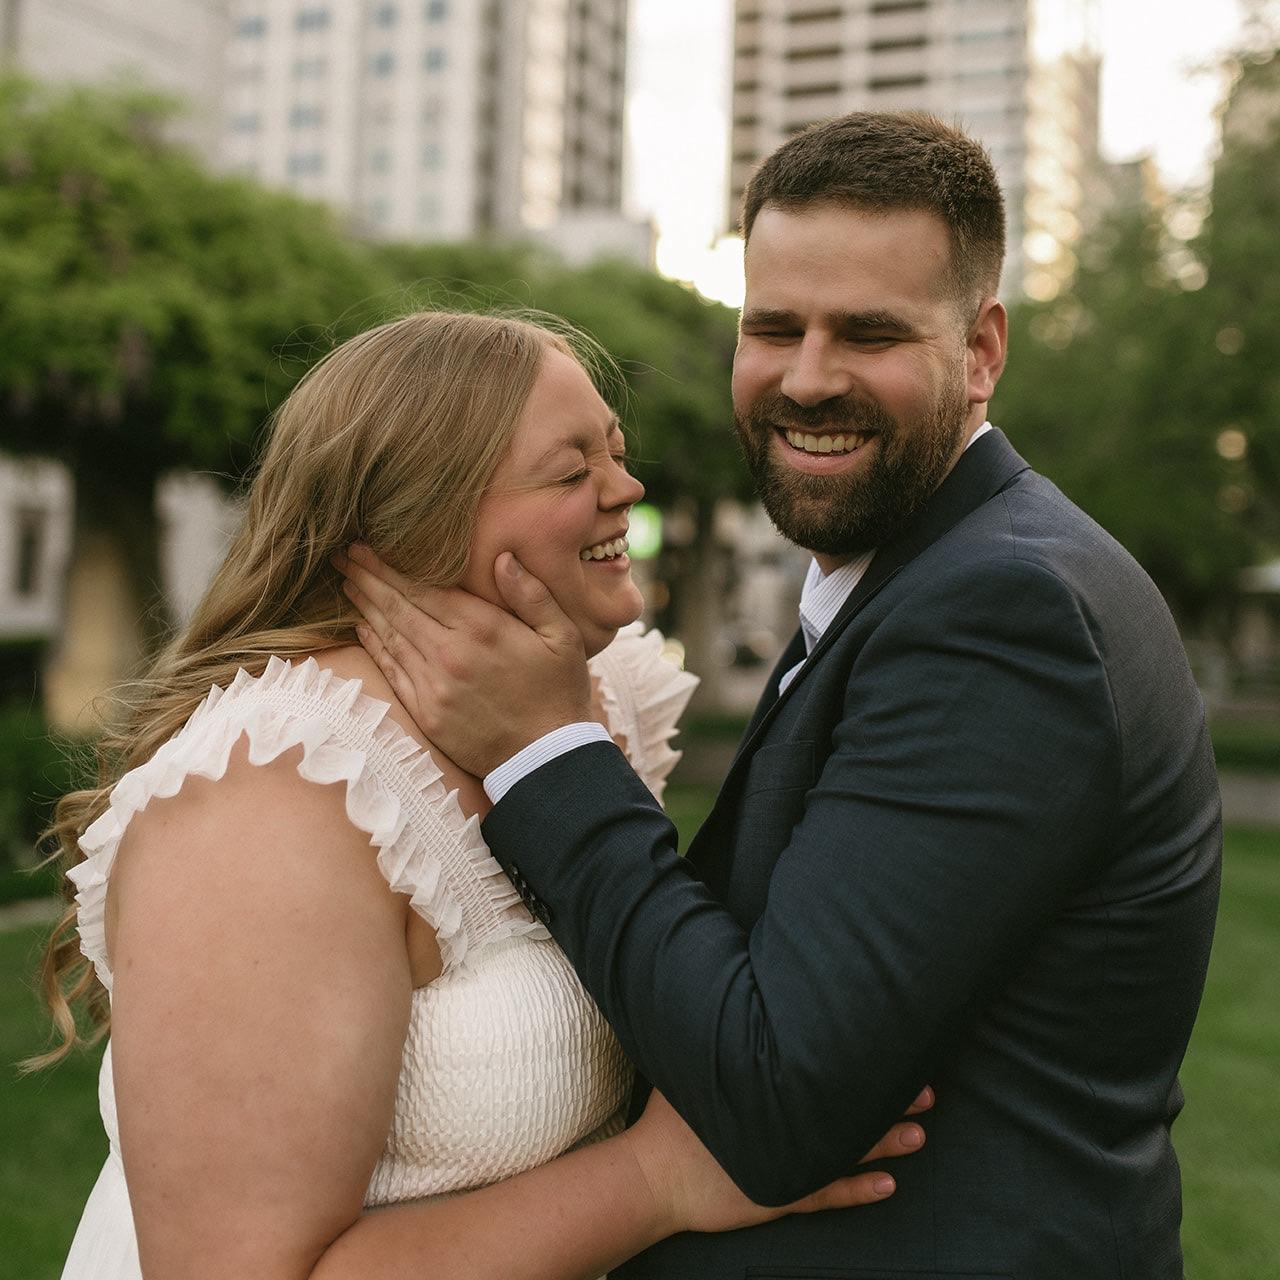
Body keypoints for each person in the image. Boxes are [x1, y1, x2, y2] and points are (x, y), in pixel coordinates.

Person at [339, 113, 1223, 1279]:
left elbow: (775, 1095)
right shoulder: (913, 572)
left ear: (980, 350)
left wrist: (543, 744)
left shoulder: (1003, 611)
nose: (805, 378)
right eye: (771, 328)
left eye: (867, 332)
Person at [35, 310, 932, 1280]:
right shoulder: (276, 787)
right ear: (418, 518)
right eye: (571, 471)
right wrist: (661, 1178)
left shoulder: (592, 700)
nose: (625, 490)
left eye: (617, 454)